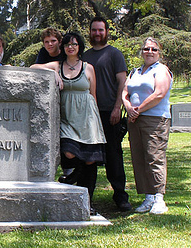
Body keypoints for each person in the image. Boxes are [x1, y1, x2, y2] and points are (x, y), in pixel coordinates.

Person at [31, 32, 106, 214]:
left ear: (79, 46)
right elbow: (33, 66)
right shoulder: (57, 65)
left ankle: (86, 203)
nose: (70, 47)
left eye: (73, 44)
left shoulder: (88, 68)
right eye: (66, 45)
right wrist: (52, 73)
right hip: (67, 118)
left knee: (89, 161)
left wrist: (96, 121)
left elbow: (93, 95)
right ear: (63, 48)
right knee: (69, 152)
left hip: (87, 118)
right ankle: (70, 180)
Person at [83, 16, 132, 212]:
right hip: (89, 115)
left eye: (100, 30)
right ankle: (86, 197)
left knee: (114, 156)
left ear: (106, 32)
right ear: (90, 32)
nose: (97, 33)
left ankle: (121, 197)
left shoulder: (114, 54)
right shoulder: (84, 56)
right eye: (94, 30)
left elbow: (122, 82)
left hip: (109, 113)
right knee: (89, 157)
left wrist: (116, 108)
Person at [122, 37, 172, 214]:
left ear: (159, 53)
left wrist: (138, 110)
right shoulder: (135, 71)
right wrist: (128, 107)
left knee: (154, 157)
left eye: (153, 49)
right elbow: (125, 91)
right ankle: (148, 197)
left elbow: (159, 94)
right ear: (141, 51)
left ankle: (159, 198)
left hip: (155, 119)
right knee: (139, 157)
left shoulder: (161, 70)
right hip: (135, 120)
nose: (149, 52)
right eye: (146, 49)